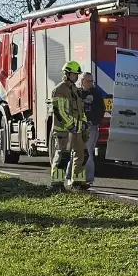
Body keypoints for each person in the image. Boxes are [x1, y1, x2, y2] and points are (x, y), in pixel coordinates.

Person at [49, 61, 88, 191]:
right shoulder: (59, 90)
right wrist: (72, 126)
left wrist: (84, 124)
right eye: (74, 74)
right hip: (64, 131)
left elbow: (81, 111)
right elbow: (60, 112)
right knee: (62, 157)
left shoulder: (75, 90)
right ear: (67, 74)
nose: (76, 77)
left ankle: (77, 182)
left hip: (77, 130)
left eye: (77, 74)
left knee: (82, 155)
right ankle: (57, 184)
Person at [69, 71, 105, 185]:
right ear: (82, 80)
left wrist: (93, 122)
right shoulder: (76, 92)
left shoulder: (97, 93)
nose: (90, 83)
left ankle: (88, 179)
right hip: (77, 127)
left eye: (91, 81)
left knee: (88, 152)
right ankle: (71, 177)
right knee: (75, 152)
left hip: (91, 127)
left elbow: (101, 110)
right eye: (88, 81)